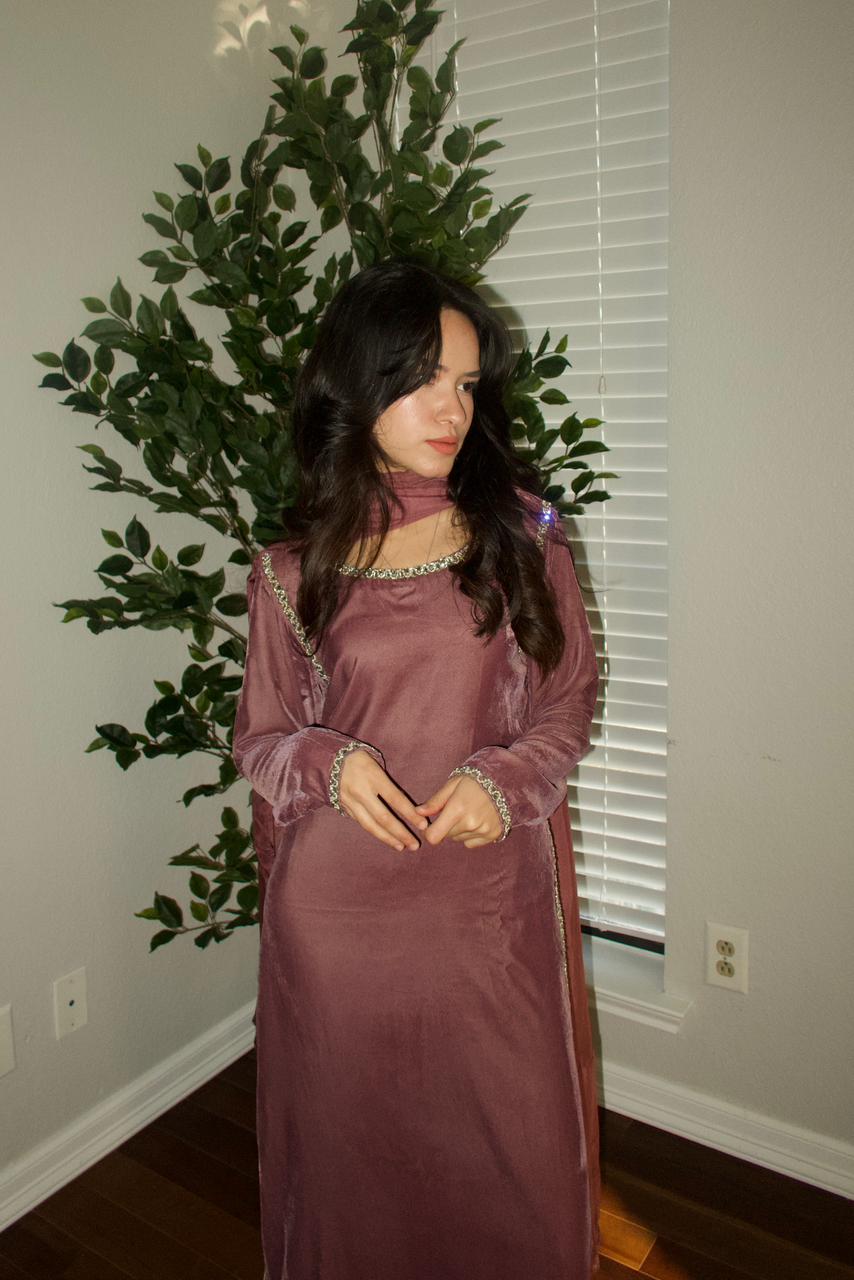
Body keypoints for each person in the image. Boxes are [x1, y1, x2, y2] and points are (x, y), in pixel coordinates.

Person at [232, 258, 601, 1280]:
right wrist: (323, 760)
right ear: (358, 379)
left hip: (485, 915)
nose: (452, 409)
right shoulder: (289, 568)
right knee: (350, 1166)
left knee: (513, 1158)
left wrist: (506, 782)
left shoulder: (521, 530)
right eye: (425, 378)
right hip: (338, 923)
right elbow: (261, 738)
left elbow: (569, 698)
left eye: (467, 383)